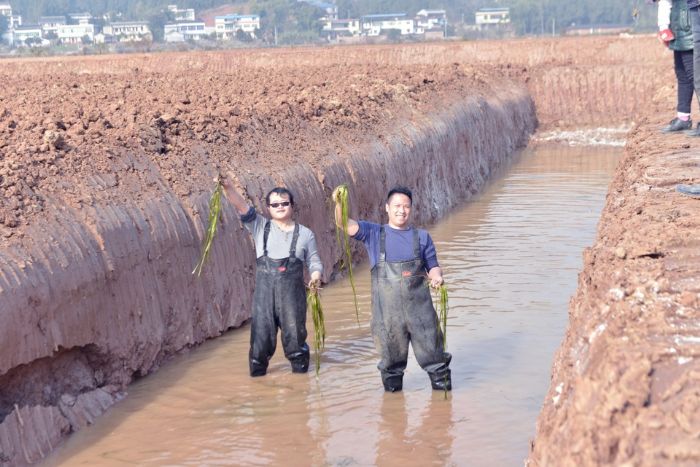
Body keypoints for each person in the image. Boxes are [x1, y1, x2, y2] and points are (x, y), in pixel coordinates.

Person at [333, 185, 451, 392]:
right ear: (387, 208)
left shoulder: (422, 237)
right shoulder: (373, 233)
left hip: (421, 313)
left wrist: (437, 278)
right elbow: (342, 223)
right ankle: (394, 412)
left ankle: (443, 407)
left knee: (436, 360)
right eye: (397, 206)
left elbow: (432, 266)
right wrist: (338, 203)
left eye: (406, 206)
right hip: (387, 317)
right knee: (391, 366)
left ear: (411, 209)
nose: (401, 210)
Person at [222, 174, 323, 376]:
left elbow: (314, 260)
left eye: (284, 203)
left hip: (293, 299)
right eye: (275, 204)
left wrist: (316, 276)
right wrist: (228, 187)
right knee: (260, 344)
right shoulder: (260, 226)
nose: (280, 207)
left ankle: (301, 385)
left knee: (296, 342)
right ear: (268, 208)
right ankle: (258, 380)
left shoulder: (305, 234)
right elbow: (241, 206)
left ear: (292, 205)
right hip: (264, 299)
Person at [657, 0, 695, 132]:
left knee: (694, 75)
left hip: (689, 28)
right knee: (682, 73)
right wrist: (664, 28)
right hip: (678, 28)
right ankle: (683, 118)